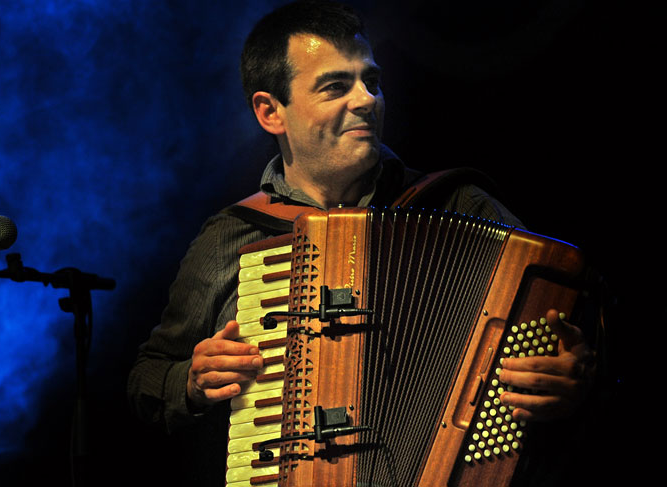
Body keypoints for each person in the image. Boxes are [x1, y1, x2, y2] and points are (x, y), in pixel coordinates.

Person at [128, 0, 595, 483]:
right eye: (336, 86)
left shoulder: (459, 206)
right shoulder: (234, 235)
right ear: (271, 112)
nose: (367, 99)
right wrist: (190, 381)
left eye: (371, 81)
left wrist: (579, 375)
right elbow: (146, 377)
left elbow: (576, 322)